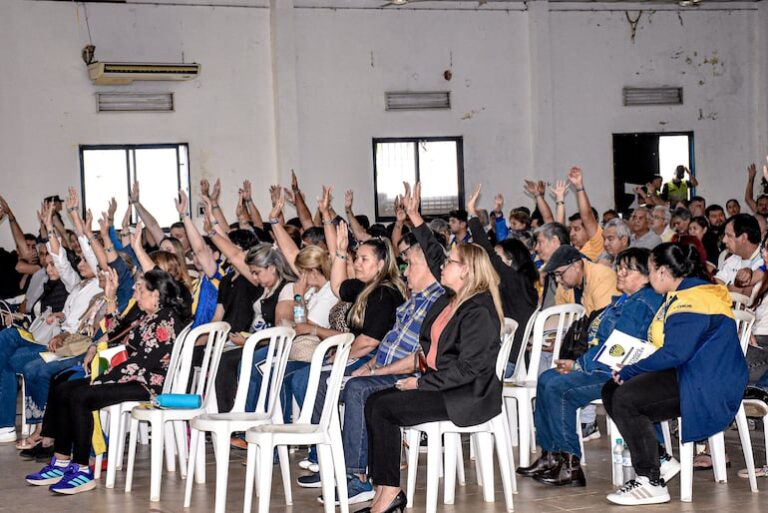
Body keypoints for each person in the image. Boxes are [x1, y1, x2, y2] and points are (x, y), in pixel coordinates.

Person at [362, 183, 504, 513]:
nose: (443, 266)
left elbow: (470, 368)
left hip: (466, 394)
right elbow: (434, 252)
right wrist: (414, 216)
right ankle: (385, 490)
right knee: (376, 401)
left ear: (467, 271)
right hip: (446, 386)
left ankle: (387, 497)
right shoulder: (452, 297)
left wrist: (420, 383)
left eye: (452, 262)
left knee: (383, 407)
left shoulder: (479, 309)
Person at [298, 232, 445, 504]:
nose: (406, 271)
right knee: (329, 381)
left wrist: (372, 371)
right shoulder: (414, 299)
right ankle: (330, 459)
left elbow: (418, 356)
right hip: (383, 364)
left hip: (407, 374)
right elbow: (387, 344)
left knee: (355, 388)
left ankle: (358, 478)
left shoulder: (432, 301)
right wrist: (369, 367)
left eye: (411, 265)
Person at [601, 243, 747, 505]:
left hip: (707, 382)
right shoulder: (685, 291)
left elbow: (675, 353)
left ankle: (651, 481)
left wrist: (632, 368)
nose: (648, 277)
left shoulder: (692, 299)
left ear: (663, 271)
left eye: (649, 270)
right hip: (692, 373)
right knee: (611, 390)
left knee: (626, 398)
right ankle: (660, 459)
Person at [24, 268, 191, 494]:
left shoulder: (166, 320)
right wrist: (110, 295)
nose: (135, 293)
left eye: (140, 290)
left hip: (148, 384)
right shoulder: (146, 315)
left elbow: (143, 363)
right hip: (131, 377)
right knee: (63, 388)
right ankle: (61, 460)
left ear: (156, 295)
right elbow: (113, 333)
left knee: (81, 396)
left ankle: (82, 470)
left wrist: (102, 379)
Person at [517, 248, 664, 487]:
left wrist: (579, 364)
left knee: (558, 386)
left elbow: (618, 347)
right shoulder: (626, 300)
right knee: (546, 378)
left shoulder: (642, 302)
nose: (621, 272)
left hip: (620, 372)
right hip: (604, 365)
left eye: (629, 269)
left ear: (647, 275)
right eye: (620, 266)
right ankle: (551, 455)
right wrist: (580, 363)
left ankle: (570, 465)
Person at [467, 185, 538, 366]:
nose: (495, 263)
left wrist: (472, 216)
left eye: (500, 258)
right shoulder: (522, 285)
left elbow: (488, 254)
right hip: (510, 358)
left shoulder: (515, 283)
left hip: (508, 361)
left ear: (511, 261)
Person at [716, 214, 763, 294]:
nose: (724, 240)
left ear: (744, 238)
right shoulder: (734, 257)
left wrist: (724, 288)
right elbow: (717, 282)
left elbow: (746, 294)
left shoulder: (764, 259)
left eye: (729, 236)